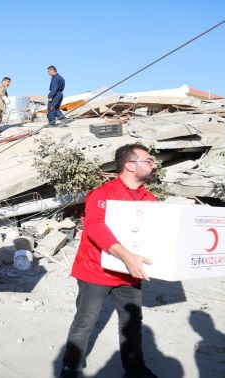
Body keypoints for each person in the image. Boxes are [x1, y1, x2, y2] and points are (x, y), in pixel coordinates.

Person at [60, 143, 159, 378]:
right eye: (149, 161)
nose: (154, 166)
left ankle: (135, 369)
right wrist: (125, 255)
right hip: (96, 271)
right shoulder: (103, 194)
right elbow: (95, 226)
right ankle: (70, 369)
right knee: (85, 322)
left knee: (132, 323)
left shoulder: (150, 199)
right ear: (130, 166)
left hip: (128, 273)